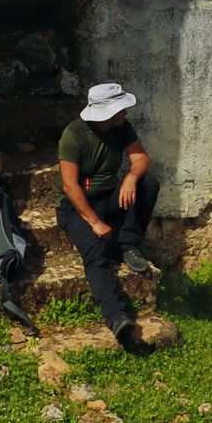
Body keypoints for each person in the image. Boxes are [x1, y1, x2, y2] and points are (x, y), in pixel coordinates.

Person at [56, 81, 161, 351]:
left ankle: (128, 245)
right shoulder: (74, 134)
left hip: (109, 196)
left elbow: (142, 160)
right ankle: (116, 318)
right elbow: (69, 186)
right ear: (108, 113)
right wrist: (94, 222)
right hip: (77, 206)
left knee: (148, 183)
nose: (125, 114)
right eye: (121, 110)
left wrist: (130, 177)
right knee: (95, 251)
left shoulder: (122, 127)